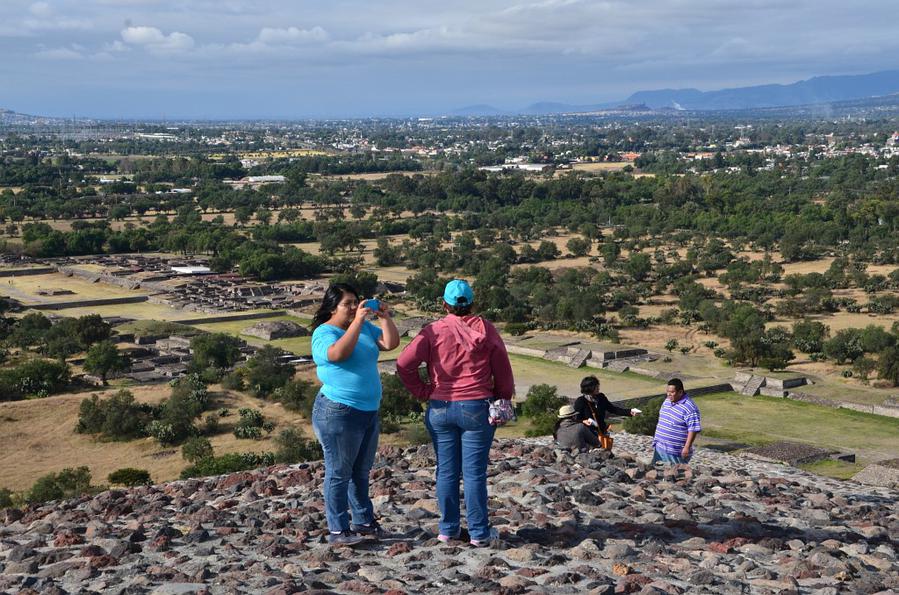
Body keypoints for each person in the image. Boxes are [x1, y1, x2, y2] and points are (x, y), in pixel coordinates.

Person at [396, 279, 514, 547]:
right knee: (474, 474)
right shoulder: (486, 330)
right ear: (472, 303)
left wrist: (423, 391)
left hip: (440, 406)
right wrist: (502, 398)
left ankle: (448, 529)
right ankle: (479, 533)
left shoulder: (433, 331)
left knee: (446, 472)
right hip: (476, 405)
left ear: (444, 304)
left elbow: (404, 364)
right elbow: (503, 373)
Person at [310, 283, 399, 546]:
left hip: (368, 411)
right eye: (347, 303)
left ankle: (363, 521)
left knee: (361, 471)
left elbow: (389, 343)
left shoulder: (362, 329)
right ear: (332, 306)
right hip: (338, 412)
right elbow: (337, 354)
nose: (352, 307)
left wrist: (385, 317)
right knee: (339, 472)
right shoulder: (323, 333)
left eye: (355, 302)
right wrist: (357, 322)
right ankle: (338, 529)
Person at [573, 375, 640, 444]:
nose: (598, 388)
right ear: (590, 388)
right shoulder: (580, 401)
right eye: (596, 386)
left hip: (602, 432)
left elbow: (613, 409)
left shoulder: (601, 397)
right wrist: (584, 421)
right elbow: (575, 419)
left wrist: (629, 412)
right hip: (589, 435)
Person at [651, 378, 702, 464]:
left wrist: (687, 447)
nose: (668, 394)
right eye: (667, 391)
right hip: (659, 447)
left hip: (675, 452)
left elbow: (693, 429)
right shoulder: (667, 401)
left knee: (673, 475)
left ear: (680, 392)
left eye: (672, 392)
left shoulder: (689, 407)